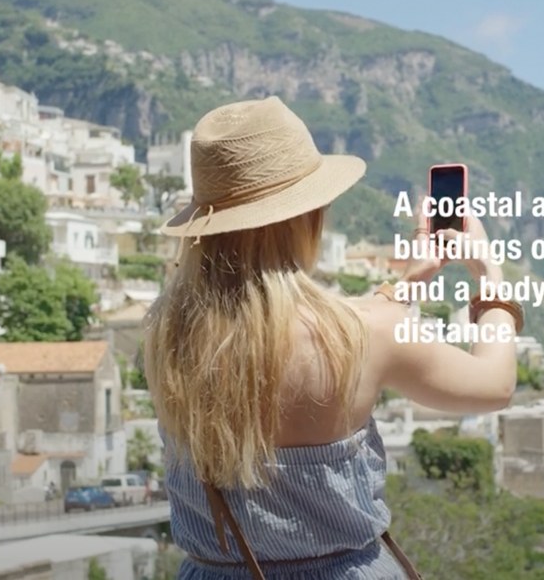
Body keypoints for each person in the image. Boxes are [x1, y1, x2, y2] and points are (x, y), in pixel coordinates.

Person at [144, 96, 521, 580]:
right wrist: (490, 274)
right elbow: (494, 385)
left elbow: (282, 327)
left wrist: (405, 286)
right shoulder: (363, 335)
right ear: (307, 217)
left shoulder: (167, 334)